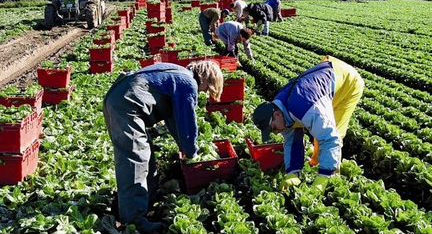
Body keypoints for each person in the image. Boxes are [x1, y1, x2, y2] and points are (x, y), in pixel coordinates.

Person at [103, 61, 224, 233]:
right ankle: (134, 221)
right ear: (206, 79)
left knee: (146, 156)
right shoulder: (188, 83)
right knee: (135, 160)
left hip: (119, 96)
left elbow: (174, 121)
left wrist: (184, 147)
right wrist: (191, 152)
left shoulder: (179, 75)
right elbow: (186, 122)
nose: (203, 92)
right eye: (206, 89)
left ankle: (145, 204)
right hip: (126, 105)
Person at [252, 56, 364, 192]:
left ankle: (331, 174)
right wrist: (292, 172)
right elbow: (291, 141)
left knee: (334, 132)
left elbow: (330, 138)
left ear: (276, 115)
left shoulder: (306, 107)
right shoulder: (280, 110)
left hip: (348, 82)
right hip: (324, 77)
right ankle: (316, 163)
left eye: (274, 128)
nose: (276, 132)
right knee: (319, 128)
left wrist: (324, 176)